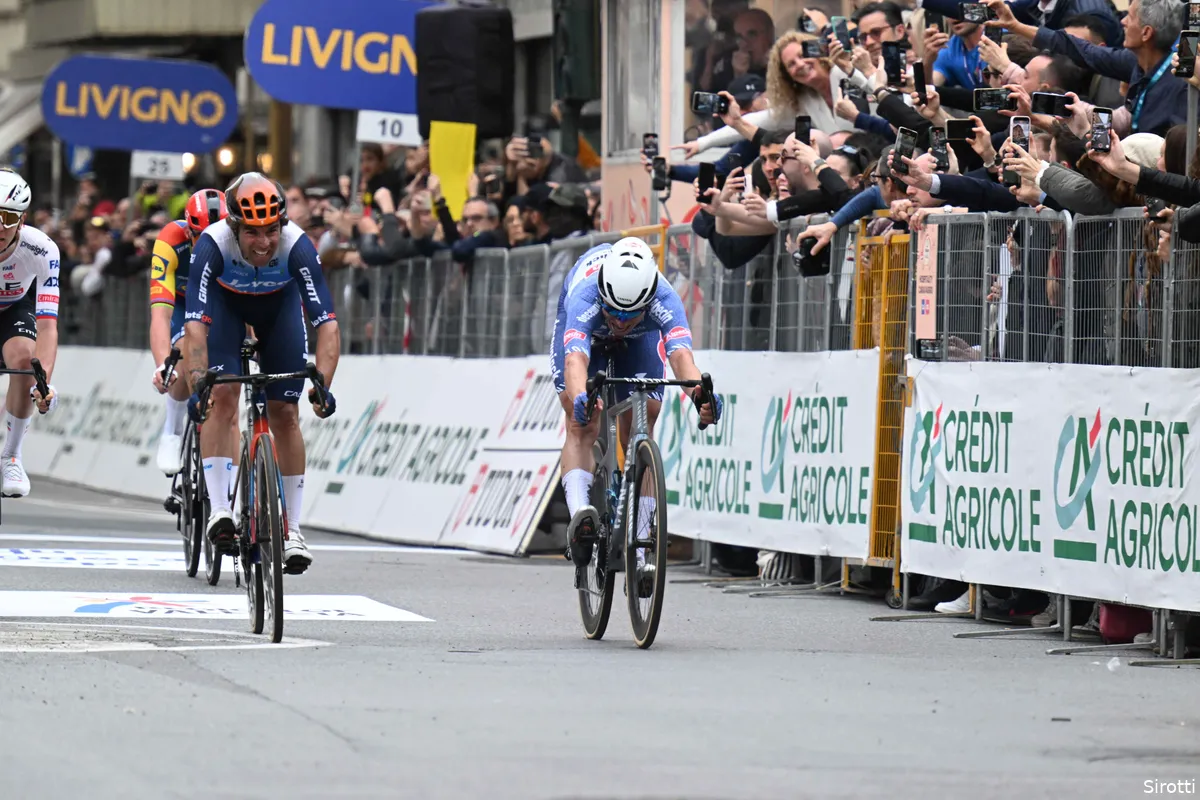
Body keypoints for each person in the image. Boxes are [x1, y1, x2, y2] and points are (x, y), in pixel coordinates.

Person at [184, 173, 341, 573]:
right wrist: (199, 377)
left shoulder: (298, 246)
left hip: (278, 311)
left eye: (272, 230)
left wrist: (322, 383)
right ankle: (220, 509)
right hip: (225, 308)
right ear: (234, 226)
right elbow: (196, 327)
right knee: (222, 399)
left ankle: (292, 530)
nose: (264, 242)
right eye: (252, 232)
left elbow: (326, 324)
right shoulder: (212, 245)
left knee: (285, 414)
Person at [551, 237, 723, 591]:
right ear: (603, 296)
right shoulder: (585, 294)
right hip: (586, 341)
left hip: (641, 344)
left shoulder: (664, 297)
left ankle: (641, 550)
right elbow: (575, 360)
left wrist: (698, 395)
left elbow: (681, 358)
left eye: (631, 315)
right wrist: (581, 395)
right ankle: (580, 517)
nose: (621, 323)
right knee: (580, 420)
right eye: (614, 313)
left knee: (647, 413)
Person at [148, 189, 227, 475]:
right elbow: (160, 314)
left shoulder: (239, 244)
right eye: (200, 238)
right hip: (182, 303)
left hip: (219, 302)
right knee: (182, 352)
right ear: (188, 230)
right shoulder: (171, 240)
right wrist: (162, 365)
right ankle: (172, 428)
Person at [0, 170, 59, 497]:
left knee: (25, 362)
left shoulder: (42, 250)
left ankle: (11, 454)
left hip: (13, 309)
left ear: (21, 221)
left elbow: (48, 324)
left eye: (7, 217)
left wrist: (44, 380)